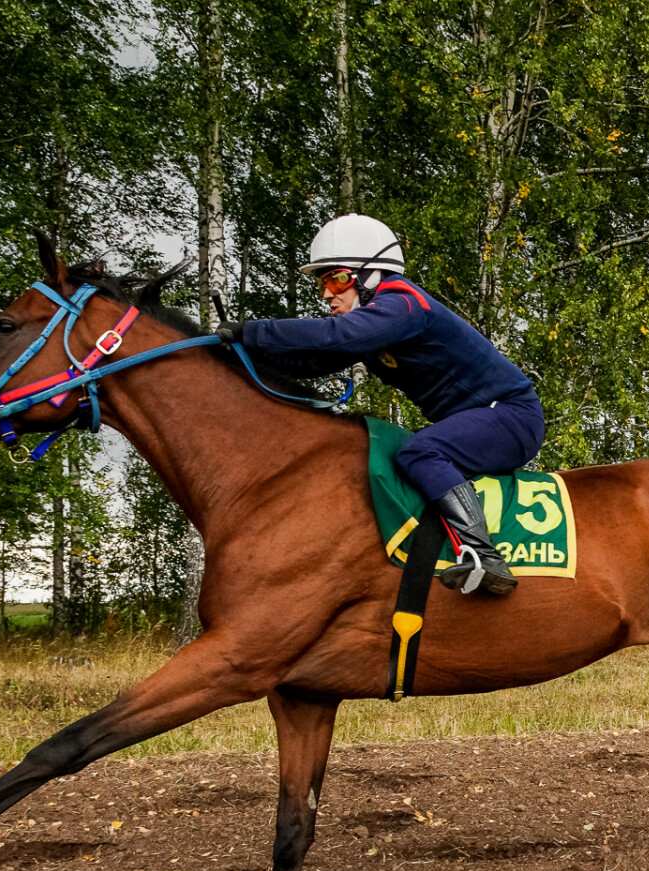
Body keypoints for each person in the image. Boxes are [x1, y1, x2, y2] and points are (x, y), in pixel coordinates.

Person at [216, 214, 537, 595]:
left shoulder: (404, 302)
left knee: (419, 452)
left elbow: (335, 338)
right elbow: (314, 361)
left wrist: (253, 331)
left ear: (371, 275)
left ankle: (486, 560)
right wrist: (242, 353)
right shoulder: (376, 324)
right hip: (486, 419)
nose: (326, 294)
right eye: (322, 283)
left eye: (336, 279)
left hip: (513, 417)